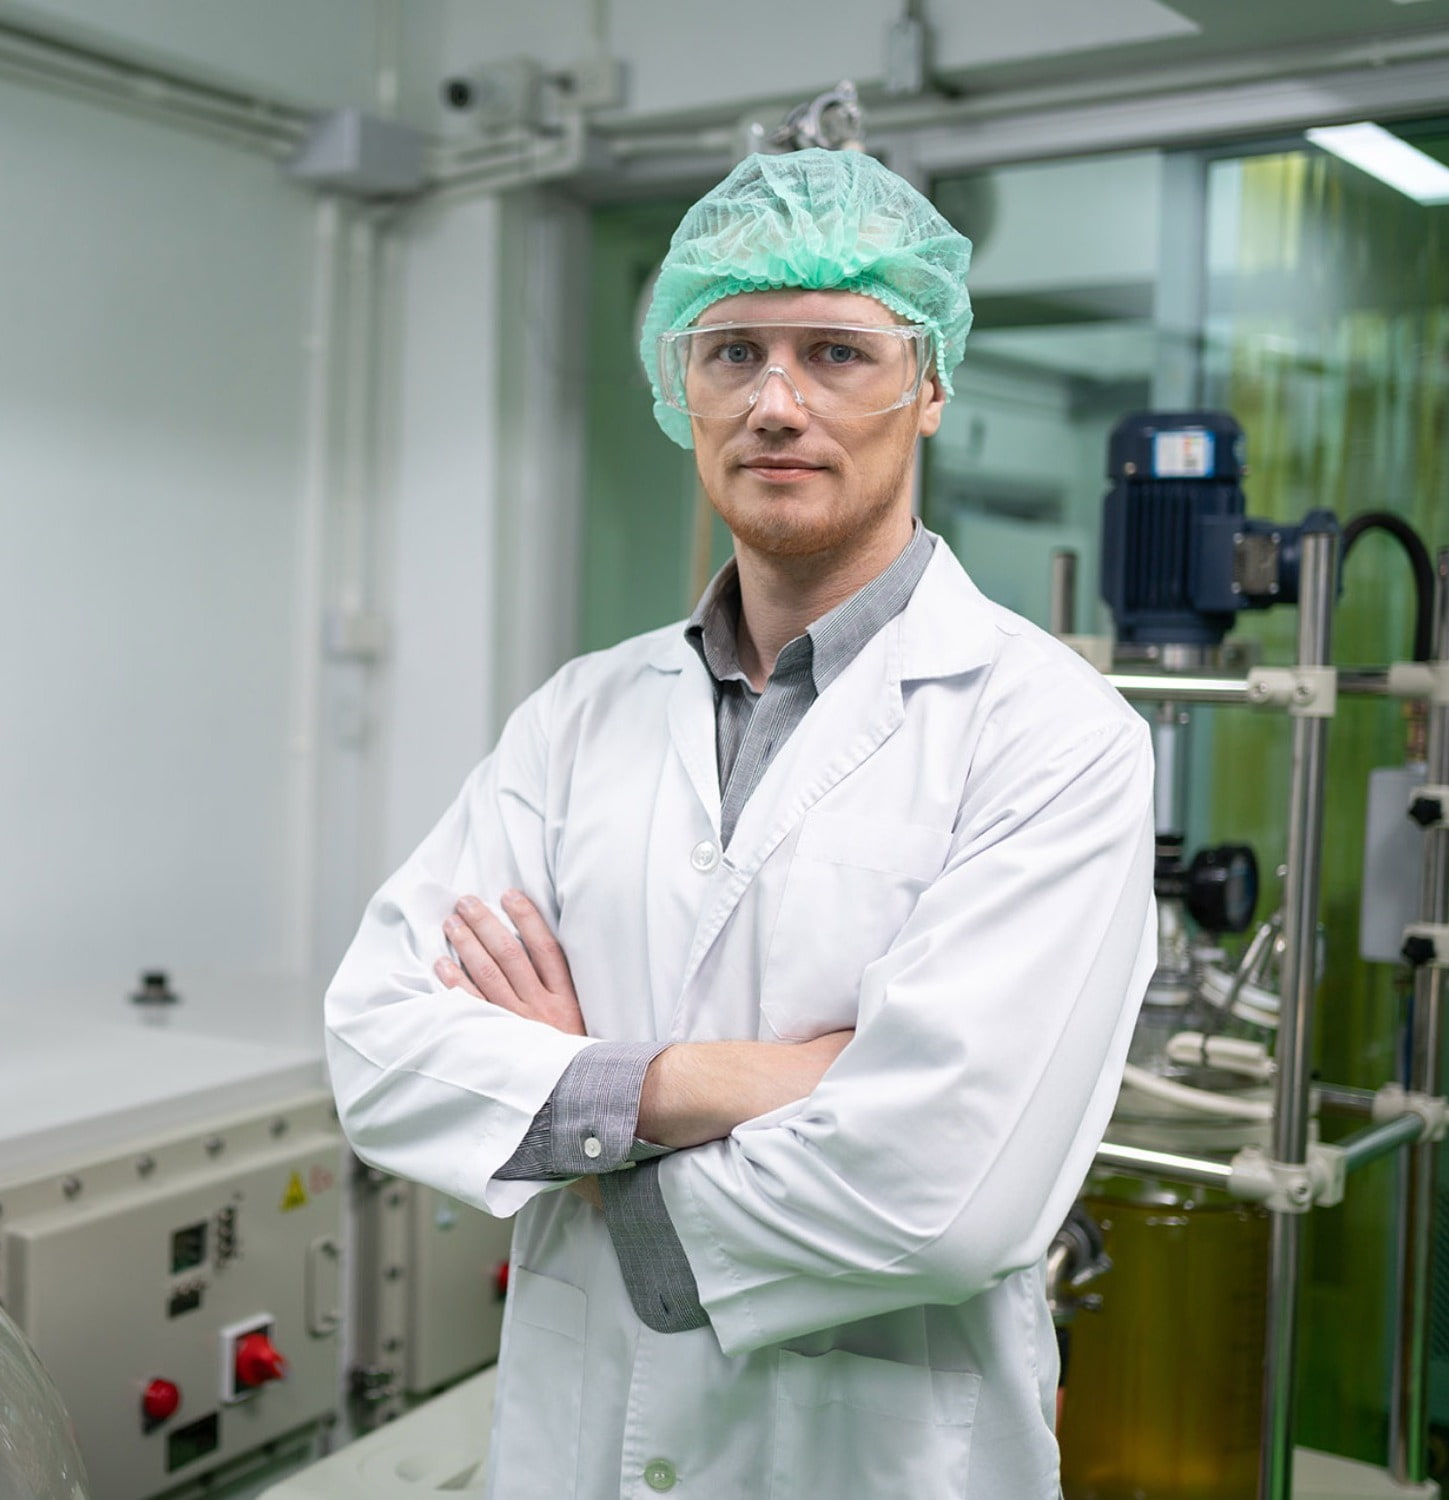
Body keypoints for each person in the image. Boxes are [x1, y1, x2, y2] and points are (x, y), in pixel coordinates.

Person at [325, 147, 1156, 1500]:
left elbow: (940, 1196)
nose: (775, 403)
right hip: (571, 1450)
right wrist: (716, 1082)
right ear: (680, 387)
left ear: (929, 384)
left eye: (835, 352)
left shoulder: (1050, 733)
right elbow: (378, 1051)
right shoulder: (577, 717)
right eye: (729, 354)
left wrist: (575, 1113)